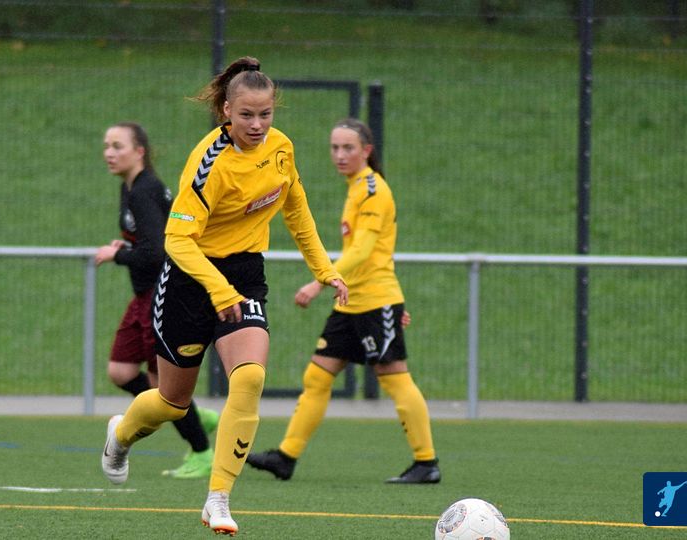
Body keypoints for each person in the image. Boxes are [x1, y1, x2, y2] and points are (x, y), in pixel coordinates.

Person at [100, 57, 348, 535]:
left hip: (245, 274)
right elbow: (177, 241)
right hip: (191, 279)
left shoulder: (281, 148)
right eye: (247, 115)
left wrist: (325, 271)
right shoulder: (208, 162)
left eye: (266, 114)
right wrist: (217, 290)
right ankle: (121, 433)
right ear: (227, 111)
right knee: (173, 402)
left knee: (249, 377)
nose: (257, 125)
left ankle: (218, 498)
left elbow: (296, 209)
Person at [246, 117, 441, 485]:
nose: (339, 154)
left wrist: (320, 282)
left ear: (366, 150)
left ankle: (426, 462)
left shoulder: (373, 189)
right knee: (317, 375)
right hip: (351, 303)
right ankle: (285, 457)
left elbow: (364, 250)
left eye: (348, 148)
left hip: (375, 300)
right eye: (334, 147)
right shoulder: (356, 188)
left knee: (394, 378)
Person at [95, 121, 220, 480]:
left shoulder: (144, 190)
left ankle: (202, 452)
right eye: (106, 146)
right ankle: (193, 414)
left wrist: (117, 255)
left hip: (162, 295)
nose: (109, 153)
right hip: (142, 297)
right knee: (120, 371)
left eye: (117, 146)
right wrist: (127, 246)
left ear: (139, 152)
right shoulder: (130, 187)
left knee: (164, 388)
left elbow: (157, 253)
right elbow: (150, 240)